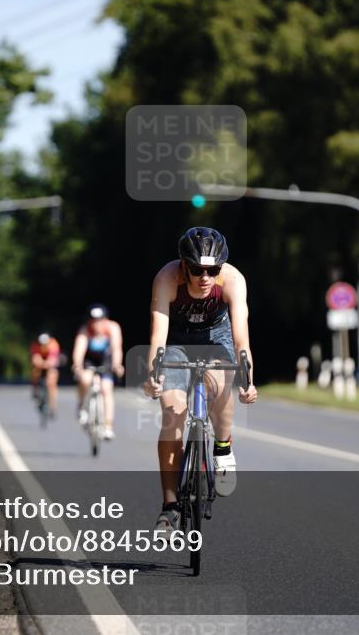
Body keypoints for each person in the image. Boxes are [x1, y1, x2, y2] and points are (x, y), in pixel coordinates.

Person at [142, 227, 258, 533]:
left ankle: (222, 447)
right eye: (197, 270)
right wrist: (153, 376)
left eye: (212, 270)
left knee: (221, 378)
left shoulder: (232, 280)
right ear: (184, 265)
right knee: (172, 412)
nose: (205, 277)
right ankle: (169, 507)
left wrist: (247, 379)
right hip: (177, 340)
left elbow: (241, 338)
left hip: (216, 337)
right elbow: (158, 336)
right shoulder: (167, 279)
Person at [72, 304, 124, 440]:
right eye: (93, 321)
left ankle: (108, 426)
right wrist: (77, 365)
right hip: (90, 360)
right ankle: (82, 406)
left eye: (99, 321)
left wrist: (117, 364)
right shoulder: (85, 330)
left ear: (105, 320)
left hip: (106, 360)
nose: (96, 325)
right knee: (85, 379)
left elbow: (116, 348)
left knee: (106, 389)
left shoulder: (113, 328)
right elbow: (79, 349)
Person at [29, 333, 61, 414]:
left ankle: (53, 404)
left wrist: (47, 364)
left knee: (52, 380)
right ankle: (35, 388)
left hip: (50, 362)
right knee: (35, 372)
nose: (43, 345)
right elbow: (35, 358)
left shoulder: (53, 344)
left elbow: (53, 359)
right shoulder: (36, 345)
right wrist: (40, 364)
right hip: (41, 362)